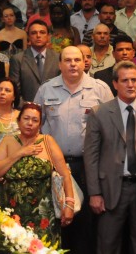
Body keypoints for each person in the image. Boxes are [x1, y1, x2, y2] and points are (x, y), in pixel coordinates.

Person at [34, 46, 113, 254]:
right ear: (59, 64)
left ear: (85, 62)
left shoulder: (100, 88)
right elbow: (34, 126)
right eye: (67, 60)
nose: (73, 64)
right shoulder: (46, 89)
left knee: (86, 226)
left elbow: (113, 128)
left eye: (77, 60)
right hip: (54, 169)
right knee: (57, 223)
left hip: (88, 167)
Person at [84, 60, 136, 254]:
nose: (131, 84)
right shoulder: (100, 112)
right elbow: (91, 156)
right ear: (115, 84)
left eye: (134, 80)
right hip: (110, 190)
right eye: (125, 80)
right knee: (107, 246)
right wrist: (94, 193)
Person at [0, 102, 73, 246]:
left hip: (44, 215)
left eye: (35, 120)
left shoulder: (48, 141)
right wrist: (19, 153)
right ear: (18, 121)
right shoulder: (8, 141)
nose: (30, 123)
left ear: (40, 124)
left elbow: (65, 174)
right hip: (13, 214)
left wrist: (70, 205)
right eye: (26, 119)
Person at [9, 19, 60, 103]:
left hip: (54, 108)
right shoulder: (17, 59)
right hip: (27, 110)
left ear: (48, 36)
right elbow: (14, 90)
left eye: (42, 32)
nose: (38, 36)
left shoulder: (58, 58)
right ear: (28, 36)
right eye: (34, 33)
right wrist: (27, 107)